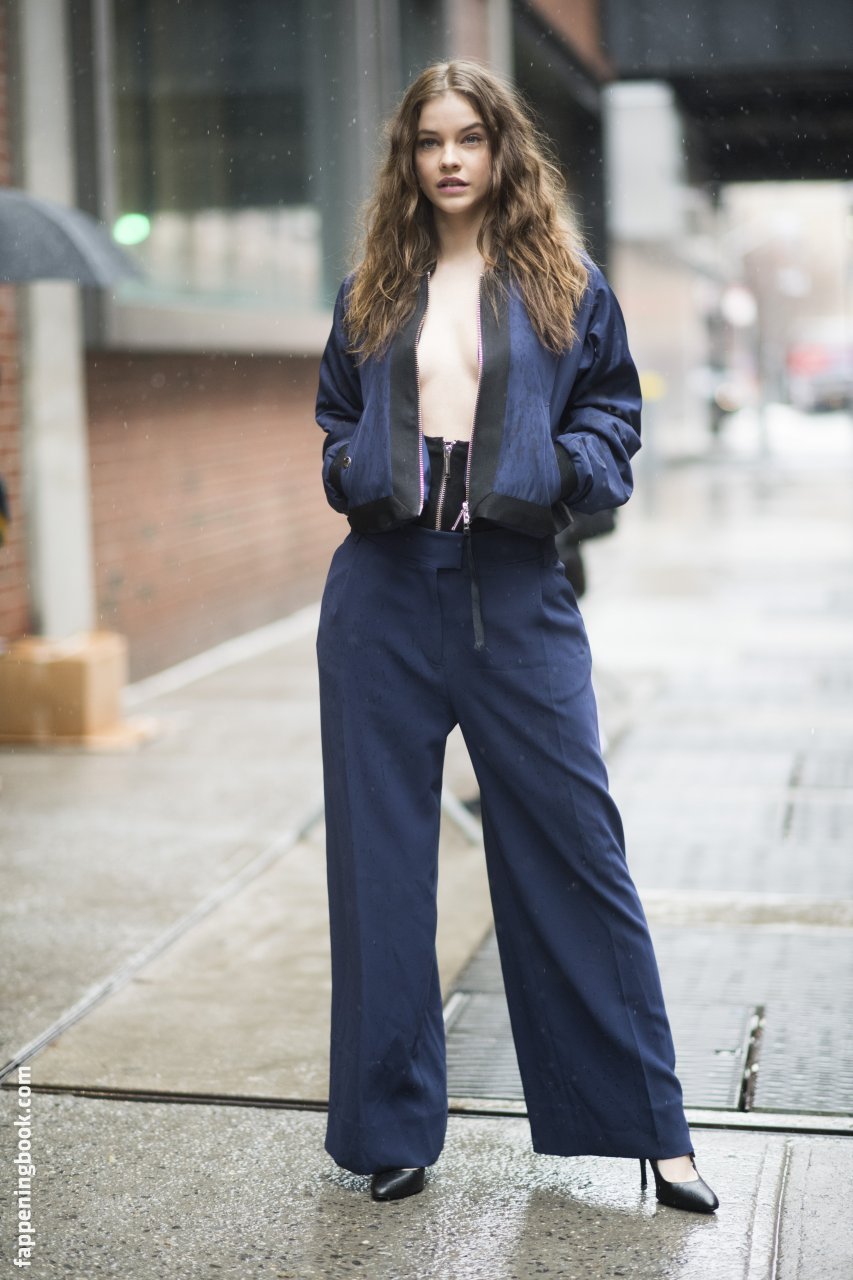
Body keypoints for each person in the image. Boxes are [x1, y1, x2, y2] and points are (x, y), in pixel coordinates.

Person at [313, 58, 719, 1214]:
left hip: (517, 590)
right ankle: (390, 1129)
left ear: (503, 151)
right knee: (381, 870)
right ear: (407, 157)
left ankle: (654, 1131)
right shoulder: (370, 288)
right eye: (429, 140)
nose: (449, 159)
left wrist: (552, 470)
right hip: (382, 596)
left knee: (578, 852)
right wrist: (352, 467)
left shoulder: (566, 283)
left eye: (469, 138)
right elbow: (336, 414)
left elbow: (613, 417)